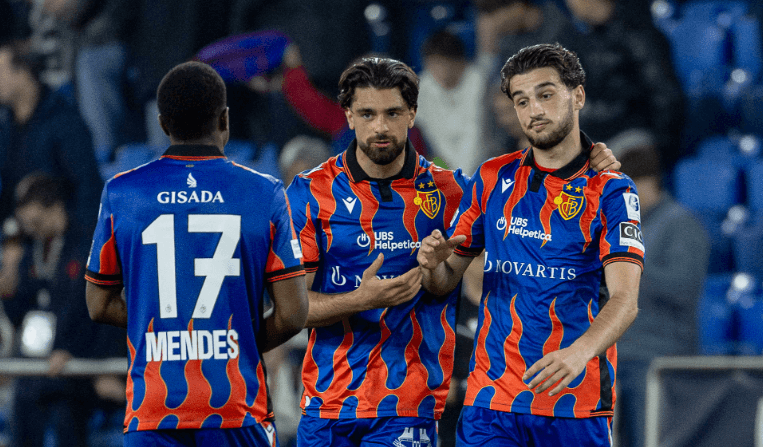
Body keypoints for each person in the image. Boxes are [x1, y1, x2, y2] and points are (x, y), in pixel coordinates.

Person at [285, 55, 622, 447]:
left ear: (413, 114)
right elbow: (292, 309)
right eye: (367, 114)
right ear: (348, 116)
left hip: (408, 405)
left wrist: (591, 161)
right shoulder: (310, 193)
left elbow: (539, 185)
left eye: (393, 113)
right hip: (325, 404)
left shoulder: (453, 191)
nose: (380, 127)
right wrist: (359, 300)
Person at [417, 43, 644, 446]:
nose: (534, 110)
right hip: (491, 402)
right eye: (522, 101)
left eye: (546, 94)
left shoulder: (612, 191)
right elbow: (445, 281)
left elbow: (625, 301)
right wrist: (433, 266)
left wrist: (579, 352)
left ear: (578, 95)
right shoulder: (491, 178)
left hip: (573, 402)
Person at [84, 61, 309, 446]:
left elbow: (98, 304)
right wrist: (237, 337)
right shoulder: (264, 192)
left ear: (162, 124)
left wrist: (163, 331)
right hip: (236, 408)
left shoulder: (122, 193)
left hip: (154, 410)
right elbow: (292, 313)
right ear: (224, 119)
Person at [1, 173, 125, 447]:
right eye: (27, 225)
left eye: (36, 222)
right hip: (42, 361)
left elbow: (100, 309)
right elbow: (22, 313)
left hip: (82, 363)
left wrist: (75, 352)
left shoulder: (90, 244)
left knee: (65, 412)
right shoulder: (33, 250)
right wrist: (9, 287)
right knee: (23, 400)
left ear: (55, 208)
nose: (32, 229)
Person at [616, 142, 710, 447]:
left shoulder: (681, 225)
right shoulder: (627, 228)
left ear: (646, 182)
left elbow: (682, 288)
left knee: (652, 439)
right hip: (618, 354)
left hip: (659, 358)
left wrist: (630, 266)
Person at [0, 39, 103, 233]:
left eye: (1, 72)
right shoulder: (5, 129)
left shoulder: (64, 119)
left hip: (67, 232)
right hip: (22, 233)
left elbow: (87, 187)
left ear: (23, 73)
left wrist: (67, 225)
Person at [415, 28, 491, 176]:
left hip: (484, 166)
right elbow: (434, 135)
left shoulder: (478, 81)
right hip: (449, 169)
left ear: (461, 62)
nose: (438, 72)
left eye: (443, 64)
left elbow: (475, 137)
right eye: (432, 65)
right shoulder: (423, 87)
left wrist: (463, 179)